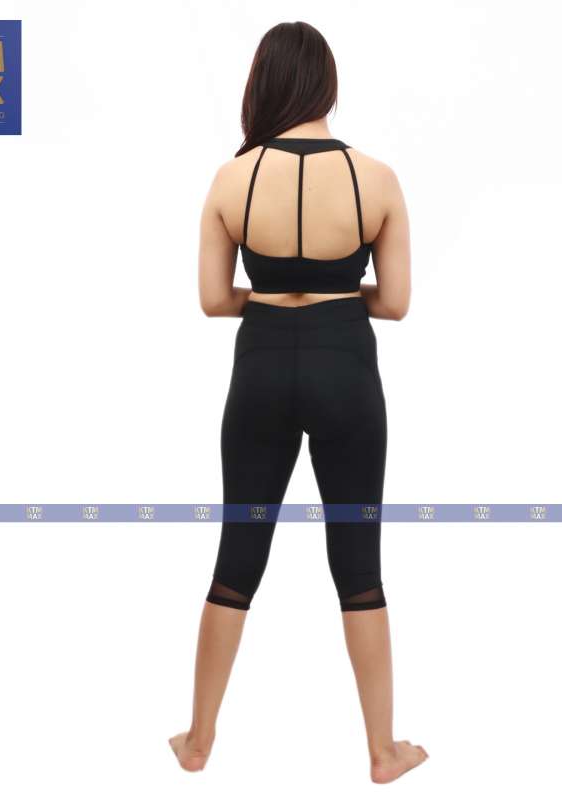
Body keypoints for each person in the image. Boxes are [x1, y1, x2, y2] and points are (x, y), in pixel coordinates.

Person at [170, 21, 426, 784]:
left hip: (259, 369)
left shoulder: (232, 179)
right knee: (359, 565)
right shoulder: (376, 178)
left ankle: (198, 740)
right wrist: (336, 298)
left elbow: (214, 299)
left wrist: (274, 295)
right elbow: (397, 303)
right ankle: (382, 752)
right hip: (346, 368)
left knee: (237, 558)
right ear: (326, 83)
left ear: (265, 83)